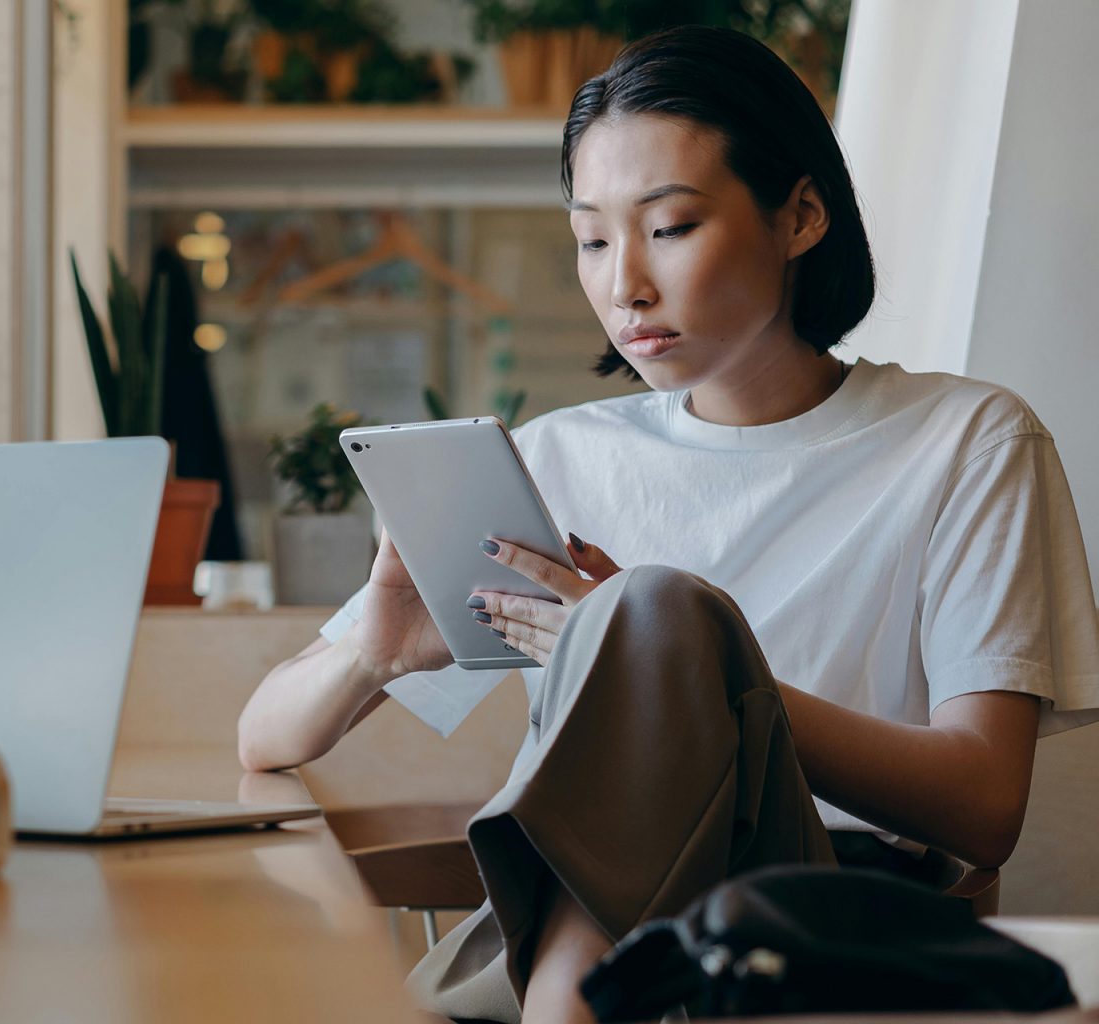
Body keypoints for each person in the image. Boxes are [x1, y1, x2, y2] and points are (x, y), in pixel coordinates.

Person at [235, 25, 1099, 1024]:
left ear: (800, 216)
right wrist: (374, 655)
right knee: (645, 619)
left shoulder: (965, 440)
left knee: (658, 606)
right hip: (579, 897)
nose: (622, 285)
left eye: (671, 226)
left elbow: (982, 808)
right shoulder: (554, 459)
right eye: (591, 240)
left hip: (815, 924)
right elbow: (266, 736)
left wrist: (692, 666)